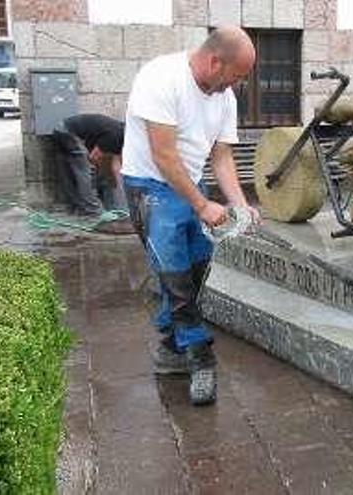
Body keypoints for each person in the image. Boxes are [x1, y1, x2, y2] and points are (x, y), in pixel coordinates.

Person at [121, 26, 260, 406]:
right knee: (177, 279)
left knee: (197, 272)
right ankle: (201, 360)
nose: (238, 84)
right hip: (150, 187)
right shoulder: (161, 78)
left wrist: (239, 203)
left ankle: (169, 349)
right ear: (215, 61)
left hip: (190, 184)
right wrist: (202, 206)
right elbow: (164, 155)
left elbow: (222, 156)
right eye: (237, 74)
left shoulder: (224, 96)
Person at [52, 113, 126, 216]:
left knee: (68, 172)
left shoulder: (120, 133)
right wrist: (101, 177)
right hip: (68, 132)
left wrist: (119, 184)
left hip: (59, 129)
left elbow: (116, 166)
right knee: (85, 170)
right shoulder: (117, 135)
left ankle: (77, 206)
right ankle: (92, 209)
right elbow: (93, 157)